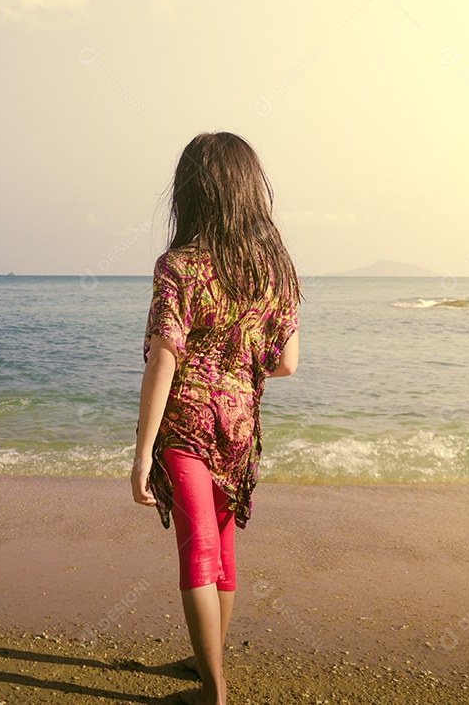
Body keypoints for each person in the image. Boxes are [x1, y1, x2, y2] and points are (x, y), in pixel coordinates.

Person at [131, 132, 300, 705]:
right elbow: (286, 364)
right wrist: (234, 366)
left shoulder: (178, 266)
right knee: (222, 549)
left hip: (185, 427)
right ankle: (208, 662)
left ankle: (213, 693)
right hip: (240, 430)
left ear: (191, 192)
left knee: (198, 551)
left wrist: (138, 456)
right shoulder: (274, 269)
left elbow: (164, 358)